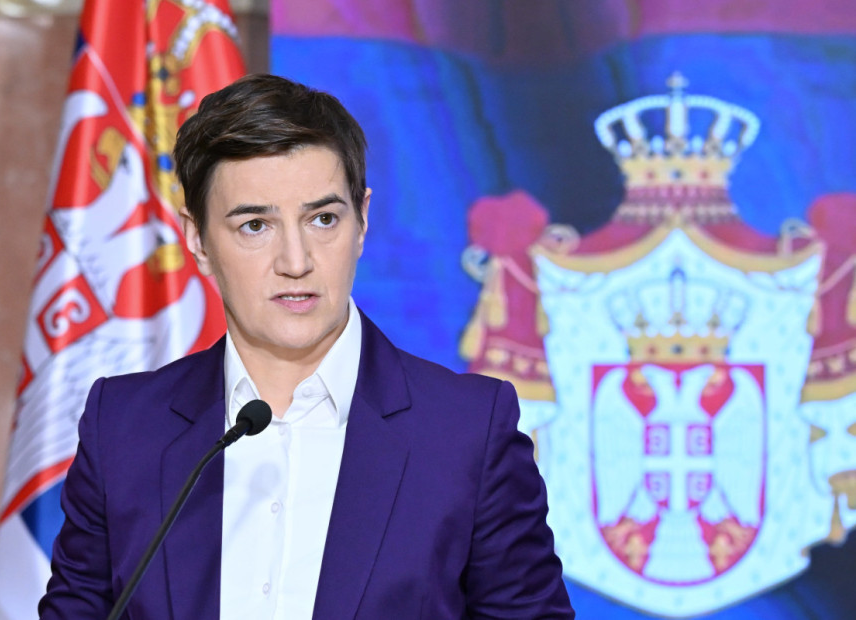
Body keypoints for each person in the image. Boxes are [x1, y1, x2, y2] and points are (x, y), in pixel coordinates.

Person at [39, 73, 574, 619]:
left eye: (322, 219)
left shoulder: (467, 431)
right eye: (255, 225)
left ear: (362, 221)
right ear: (197, 239)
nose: (296, 262)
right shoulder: (123, 426)